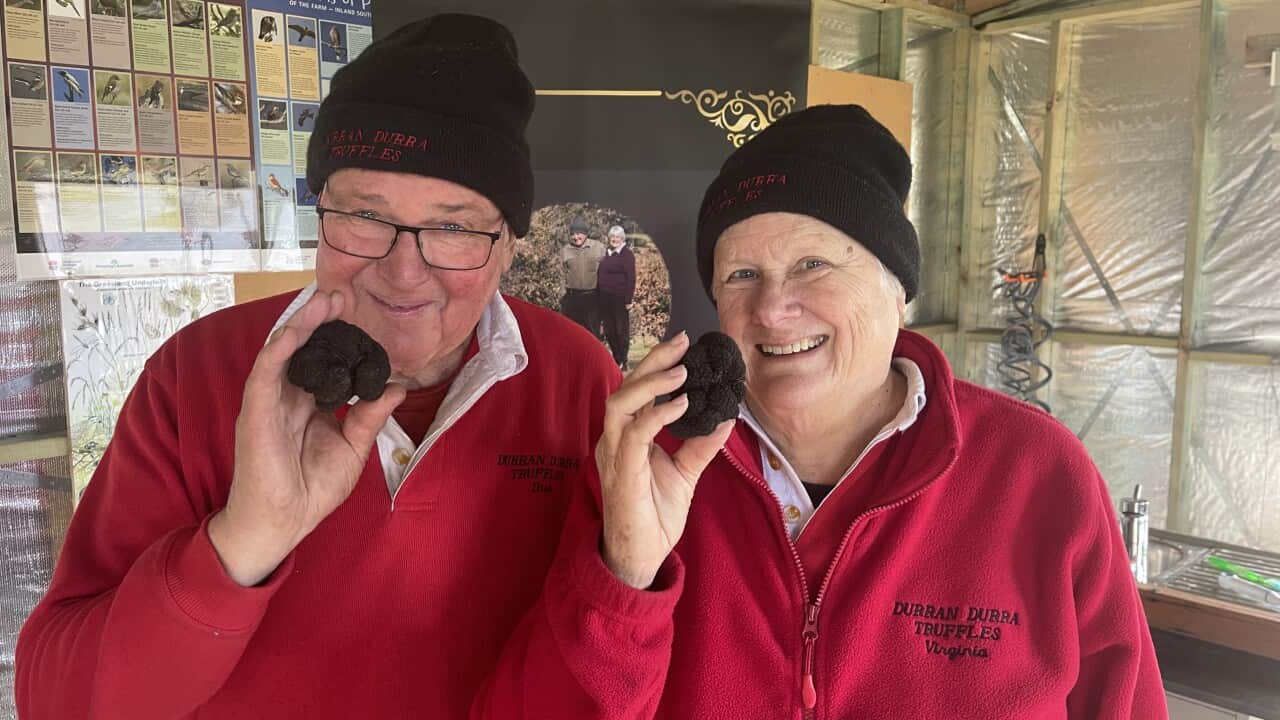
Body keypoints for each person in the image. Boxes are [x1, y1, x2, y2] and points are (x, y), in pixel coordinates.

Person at [15, 14, 621, 719]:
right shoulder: (197, 372)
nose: (403, 272)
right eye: (365, 214)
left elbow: (604, 658)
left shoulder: (578, 378)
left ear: (510, 245)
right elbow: (55, 699)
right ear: (320, 212)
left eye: (453, 227)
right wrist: (244, 540)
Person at [476, 105, 1169, 719]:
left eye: (814, 265)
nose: (773, 309)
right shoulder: (641, 463)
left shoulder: (1038, 476)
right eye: (741, 275)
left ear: (898, 293)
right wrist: (624, 575)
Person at [596, 224, 635, 370]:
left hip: (620, 298)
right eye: (612, 237)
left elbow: (631, 278)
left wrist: (628, 300)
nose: (615, 239)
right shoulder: (606, 253)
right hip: (604, 299)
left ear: (622, 238)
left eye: (618, 237)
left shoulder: (627, 255)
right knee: (609, 330)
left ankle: (623, 360)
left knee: (621, 330)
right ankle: (617, 357)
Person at [560, 215, 605, 335]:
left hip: (592, 298)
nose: (575, 237)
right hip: (572, 299)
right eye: (573, 234)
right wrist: (562, 296)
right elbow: (562, 274)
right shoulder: (566, 250)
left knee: (592, 334)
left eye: (579, 233)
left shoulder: (598, 248)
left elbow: (606, 272)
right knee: (571, 333)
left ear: (585, 233)